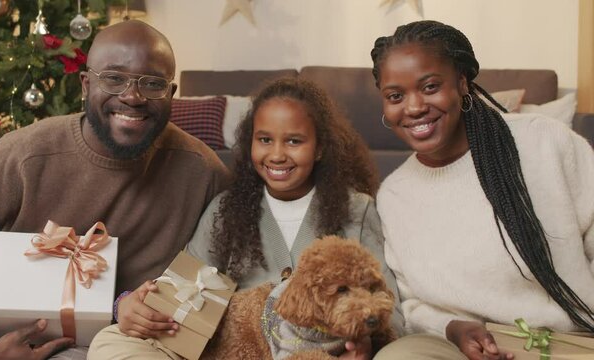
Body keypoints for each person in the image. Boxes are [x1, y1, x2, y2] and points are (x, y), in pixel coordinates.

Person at [0, 20, 229, 360]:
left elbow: (239, 258)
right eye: (114, 79)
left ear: (170, 94)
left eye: (153, 84)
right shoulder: (26, 155)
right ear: (86, 85)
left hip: (121, 345)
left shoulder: (201, 170)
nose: (132, 96)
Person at [87, 78, 404, 359]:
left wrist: (365, 345)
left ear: (320, 148)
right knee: (110, 342)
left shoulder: (357, 209)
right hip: (242, 349)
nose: (277, 155)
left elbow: (390, 308)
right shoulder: (226, 209)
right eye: (265, 140)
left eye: (294, 141)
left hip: (323, 352)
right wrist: (130, 307)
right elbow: (179, 292)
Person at [369, 20, 594, 359]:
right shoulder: (393, 195)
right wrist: (452, 326)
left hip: (570, 339)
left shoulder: (543, 141)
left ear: (461, 83)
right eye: (395, 96)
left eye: (430, 87)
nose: (413, 107)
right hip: (462, 347)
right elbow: (411, 301)